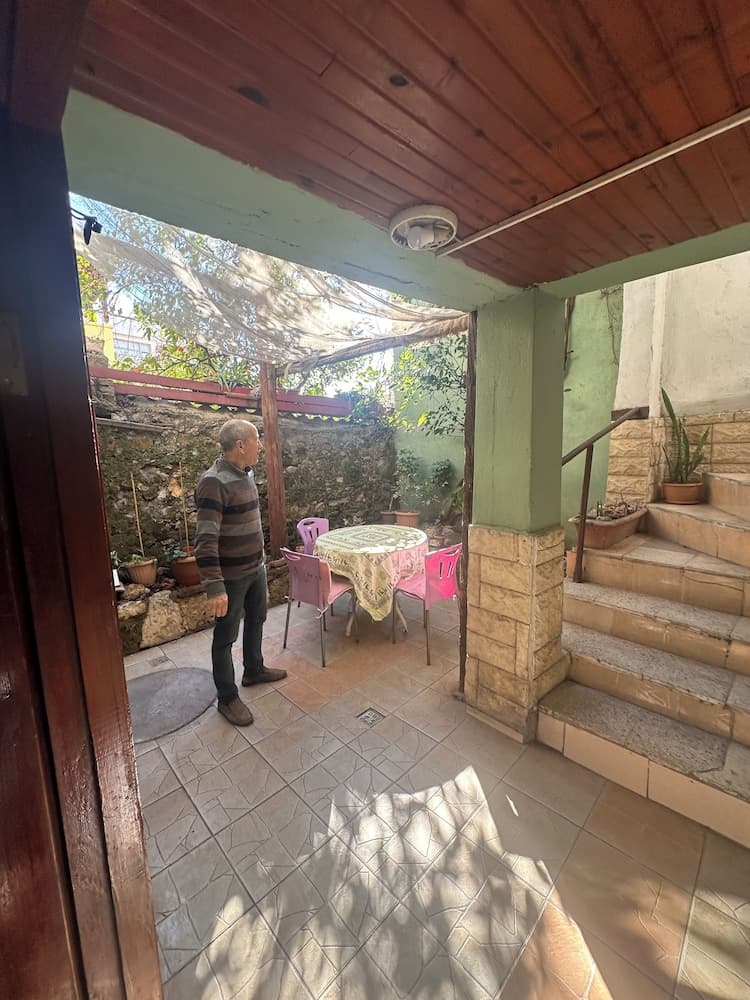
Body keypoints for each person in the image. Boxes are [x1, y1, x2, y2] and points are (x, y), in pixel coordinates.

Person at [194, 418, 286, 726]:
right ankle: (227, 697)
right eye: (256, 440)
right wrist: (214, 586)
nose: (261, 446)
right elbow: (205, 539)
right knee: (225, 638)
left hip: (255, 568)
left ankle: (254, 670)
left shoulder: (246, 473)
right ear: (240, 445)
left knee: (257, 619)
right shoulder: (213, 482)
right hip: (231, 578)